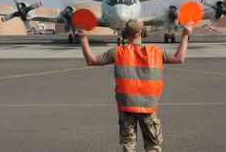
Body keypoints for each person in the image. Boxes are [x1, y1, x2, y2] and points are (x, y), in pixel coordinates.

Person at [77, 18, 192, 152]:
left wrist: (83, 37)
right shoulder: (156, 51)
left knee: (129, 146)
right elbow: (179, 58)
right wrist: (185, 35)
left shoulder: (118, 51)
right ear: (143, 32)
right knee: (153, 146)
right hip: (148, 108)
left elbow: (92, 60)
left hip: (126, 107)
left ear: (125, 34)